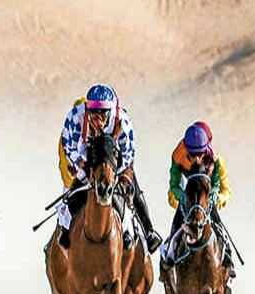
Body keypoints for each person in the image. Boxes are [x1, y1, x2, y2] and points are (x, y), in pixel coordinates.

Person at [56, 84, 162, 253]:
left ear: (110, 112)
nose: (97, 119)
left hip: (114, 159)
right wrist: (83, 166)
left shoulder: (123, 121)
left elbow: (128, 154)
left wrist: (117, 174)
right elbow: (69, 146)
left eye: (102, 114)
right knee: (71, 193)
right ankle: (65, 228)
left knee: (132, 190)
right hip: (87, 157)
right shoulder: (76, 117)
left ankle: (147, 231)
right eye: (93, 113)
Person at [165, 122, 234, 272]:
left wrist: (214, 195)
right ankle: (169, 253)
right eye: (192, 155)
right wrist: (182, 197)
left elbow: (219, 184)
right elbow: (173, 185)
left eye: (200, 154)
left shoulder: (215, 160)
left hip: (205, 196)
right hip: (187, 195)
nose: (196, 159)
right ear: (186, 149)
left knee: (217, 223)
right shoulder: (178, 156)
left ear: (206, 150)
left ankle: (227, 256)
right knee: (177, 222)